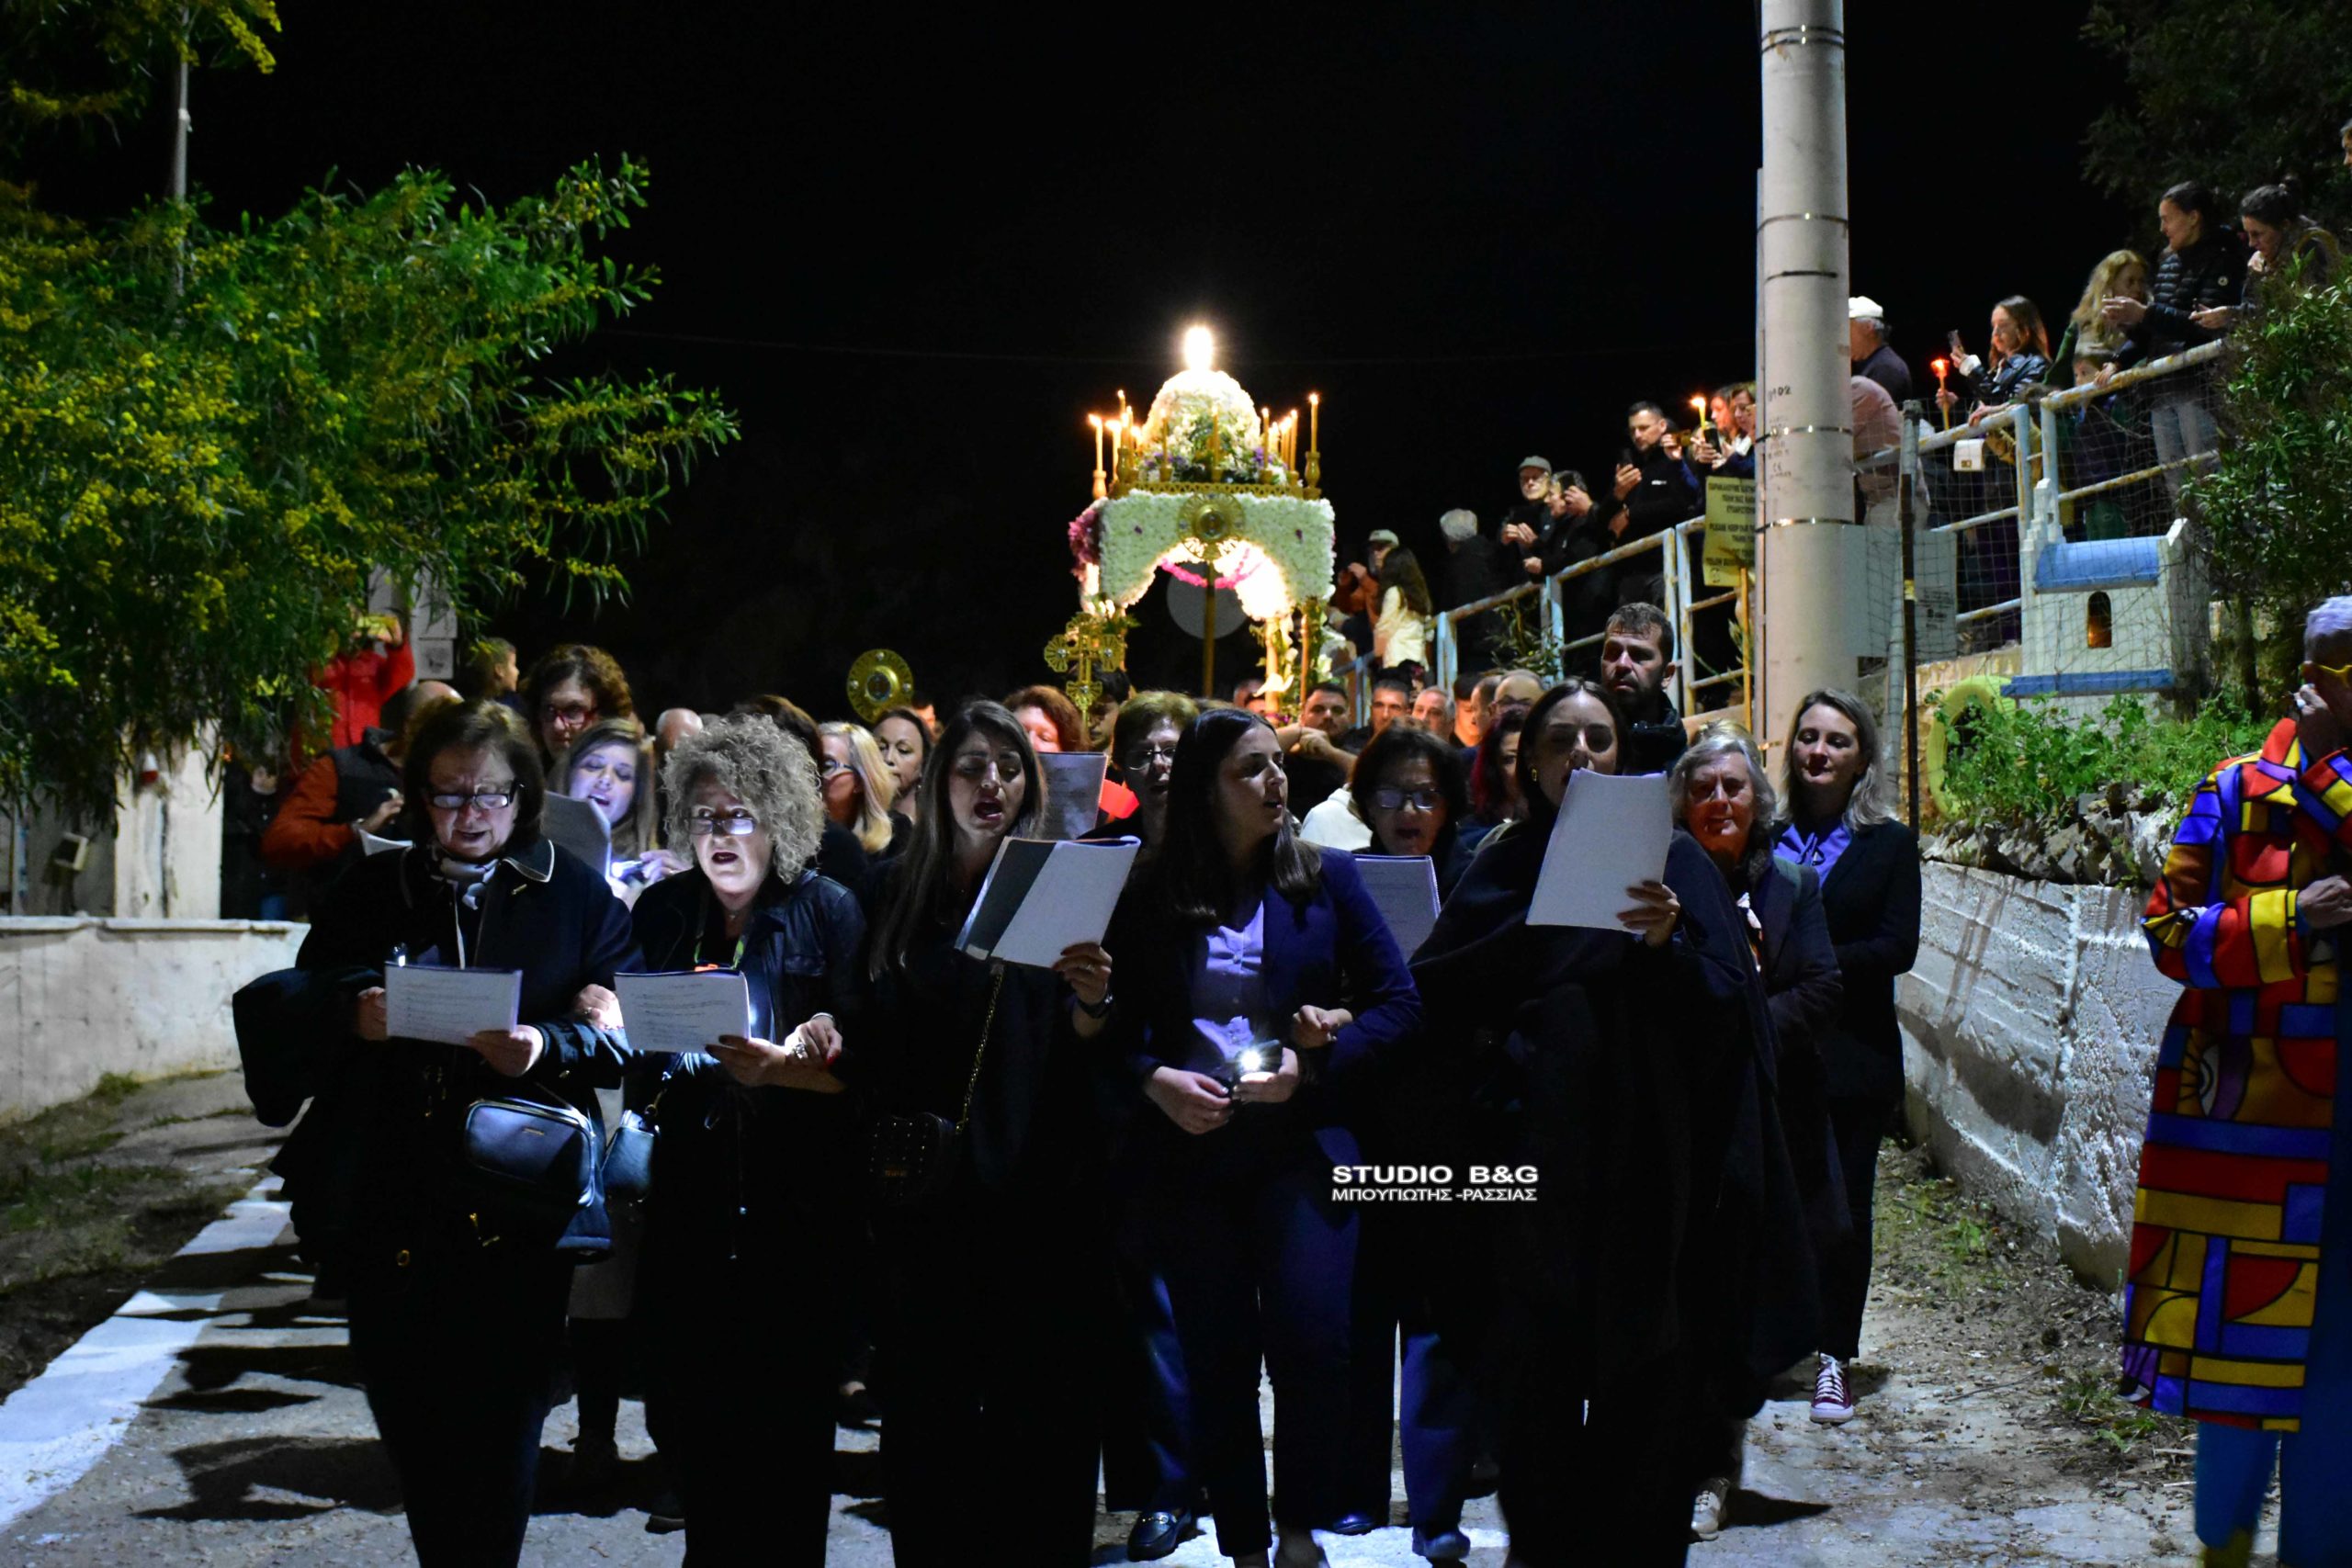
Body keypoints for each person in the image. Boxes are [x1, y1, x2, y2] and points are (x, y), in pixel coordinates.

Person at [254, 699, 637, 1565]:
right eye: (450, 794)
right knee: (411, 1414)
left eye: (490, 793)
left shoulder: (572, 892)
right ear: (421, 796)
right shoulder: (375, 887)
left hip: (517, 1196)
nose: (471, 813)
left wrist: (549, 1041)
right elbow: (304, 994)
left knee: (504, 1422)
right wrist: (355, 1011)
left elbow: (623, 1014)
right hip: (394, 1190)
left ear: (523, 796)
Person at [1408, 680, 1724, 1564]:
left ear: (1623, 756)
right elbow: (1440, 992)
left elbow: (1727, 1011)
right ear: (1529, 763)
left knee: (1644, 1377)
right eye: (1560, 740)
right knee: (1532, 1383)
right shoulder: (1502, 864)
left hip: (1642, 1164)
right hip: (1527, 1166)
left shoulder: (1673, 862)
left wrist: (1666, 946)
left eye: (1600, 738)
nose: (1581, 754)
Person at [1106, 707, 1420, 1568]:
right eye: (1250, 768)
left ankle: (1299, 1529)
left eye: (1277, 762)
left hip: (1301, 1146)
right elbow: (1111, 1029)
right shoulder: (1150, 891)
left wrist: (1315, 1060)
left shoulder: (1327, 877)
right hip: (1194, 1149)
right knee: (1218, 1362)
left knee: (1315, 1343)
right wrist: (1155, 1079)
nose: (1275, 780)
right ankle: (1245, 1542)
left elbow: (1400, 1005)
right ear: (1207, 788)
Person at [855, 702, 1117, 1567]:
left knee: (1040, 1428)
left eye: (1009, 766)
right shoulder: (898, 891)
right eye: (972, 766)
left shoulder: (1067, 885)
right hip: (928, 1194)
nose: (992, 782)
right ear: (939, 784)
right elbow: (874, 1032)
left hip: (1040, 1191)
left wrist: (1094, 1003)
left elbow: (1091, 1046)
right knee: (928, 1426)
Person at [2121, 598, 2352, 1567]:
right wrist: (2290, 918)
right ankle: (2222, 1547)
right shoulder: (2232, 792)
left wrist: (2331, 776)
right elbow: (2168, 932)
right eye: (2342, 664)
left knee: (2340, 1372)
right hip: (2250, 1139)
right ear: (2308, 674)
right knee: (2237, 1356)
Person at [628, 714, 863, 1565]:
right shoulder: (662, 912)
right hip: (689, 1203)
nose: (721, 833)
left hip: (796, 1212)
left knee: (789, 1460)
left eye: (740, 814)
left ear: (780, 818)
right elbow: (635, 1062)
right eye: (704, 815)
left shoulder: (827, 908)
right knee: (701, 1451)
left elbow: (868, 1066)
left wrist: (797, 1059)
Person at [1669, 725, 1843, 1540]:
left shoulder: (1792, 885)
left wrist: (1742, 1030)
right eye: (1703, 788)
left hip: (1766, 1118)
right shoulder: (1662, 880)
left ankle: (1716, 1464)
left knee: (1743, 1294)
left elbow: (1821, 985)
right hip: (1680, 1121)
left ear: (1758, 801)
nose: (1719, 801)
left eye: (1733, 787)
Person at [1774, 689, 1919, 1425]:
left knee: (1843, 1212)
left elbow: (1898, 945)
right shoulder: (1766, 835)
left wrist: (1815, 959)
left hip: (1853, 1057)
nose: (1819, 752)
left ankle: (1834, 1356)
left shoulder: (1888, 844)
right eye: (1808, 737)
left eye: (1837, 740)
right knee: (1773, 1203)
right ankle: (1771, 1343)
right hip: (1773, 1050)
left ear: (1862, 758)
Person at [2100, 181, 2245, 505]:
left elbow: (2202, 325)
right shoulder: (2168, 263)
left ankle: (2222, 539)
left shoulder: (2223, 258)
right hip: (2163, 389)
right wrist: (2120, 356)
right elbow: (2158, 329)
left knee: (2209, 478)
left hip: (2200, 388)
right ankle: (2189, 539)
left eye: (2167, 219)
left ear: (2193, 218)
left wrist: (2144, 313)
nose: (2162, 228)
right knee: (2177, 486)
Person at [262, 681, 458, 911]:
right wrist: (356, 831)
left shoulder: (460, 778)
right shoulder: (342, 767)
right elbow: (280, 841)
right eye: (448, 730)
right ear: (412, 726)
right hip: (347, 914)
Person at [1597, 403, 1702, 606]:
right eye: (1633, 430)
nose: (1637, 435)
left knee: (1667, 623)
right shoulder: (1630, 468)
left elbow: (1684, 503)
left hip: (1667, 566)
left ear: (1662, 426)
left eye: (1643, 428)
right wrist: (1616, 496)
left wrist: (1631, 514)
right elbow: (1603, 521)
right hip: (1630, 572)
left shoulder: (1676, 460)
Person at [556, 716, 670, 903]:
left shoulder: (648, 881)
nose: (605, 779)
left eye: (623, 775)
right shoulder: (524, 844)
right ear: (569, 772)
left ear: (636, 795)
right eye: (593, 766)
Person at [2203, 184, 2341, 328]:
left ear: (2285, 226)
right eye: (2248, 234)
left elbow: (2300, 315)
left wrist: (2233, 315)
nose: (2251, 243)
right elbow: (2255, 308)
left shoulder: (2311, 251)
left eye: (2257, 234)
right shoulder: (2263, 258)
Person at [1600, 604, 1688, 776]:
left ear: (1666, 674)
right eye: (1613, 652)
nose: (1622, 664)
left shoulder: (1687, 768)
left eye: (1639, 655)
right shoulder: (1578, 748)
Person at [1940, 295, 2053, 428]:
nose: (1995, 332)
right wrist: (1956, 407)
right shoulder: (1996, 370)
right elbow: (1983, 423)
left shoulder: (2036, 364)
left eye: (2003, 325)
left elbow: (2011, 408)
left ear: (2024, 328)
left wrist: (1973, 370)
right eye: (1993, 326)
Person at [522, 644, 637, 771]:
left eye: (573, 710)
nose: (558, 726)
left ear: (606, 715)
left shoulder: (632, 779)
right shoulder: (525, 777)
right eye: (549, 710)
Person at [313, 612, 415, 753]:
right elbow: (307, 683)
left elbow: (403, 673)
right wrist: (325, 649)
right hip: (324, 749)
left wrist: (397, 645)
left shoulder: (372, 663)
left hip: (364, 749)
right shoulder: (320, 663)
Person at [1435, 508, 1513, 672]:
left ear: (1447, 536)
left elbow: (1464, 605)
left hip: (1478, 648)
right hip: (1505, 639)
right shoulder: (1493, 551)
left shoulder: (1461, 564)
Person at [819, 720, 906, 858]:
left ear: (859, 780)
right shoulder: (790, 834)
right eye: (808, 764)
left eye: (826, 766)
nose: (813, 776)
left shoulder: (895, 839)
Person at [2053, 250, 2148, 374]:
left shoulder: (2147, 324)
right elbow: (2058, 374)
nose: (2138, 289)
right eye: (2130, 282)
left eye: (2141, 282)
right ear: (2110, 284)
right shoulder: (2082, 323)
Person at [1457, 701, 1529, 855]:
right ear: (1494, 769)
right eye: (1510, 759)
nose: (1521, 768)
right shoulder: (1470, 835)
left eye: (1528, 757)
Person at [1279, 682, 1355, 818]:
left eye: (1337, 710)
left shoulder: (1359, 746)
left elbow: (1371, 777)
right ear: (1303, 715)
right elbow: (1257, 748)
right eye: (1318, 710)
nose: (1328, 716)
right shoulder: (1287, 756)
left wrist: (1331, 752)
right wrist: (1300, 732)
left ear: (1349, 717)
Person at [1373, 546, 1435, 675]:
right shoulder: (1421, 597)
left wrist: (1378, 654)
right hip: (1418, 660)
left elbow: (1384, 628)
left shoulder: (1395, 593)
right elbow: (1428, 633)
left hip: (1397, 659)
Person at [1848, 298, 1913, 405]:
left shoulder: (1886, 369)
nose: (1842, 337)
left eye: (1847, 328)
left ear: (1868, 327)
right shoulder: (1876, 364)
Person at [875, 706, 931, 827]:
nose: (888, 758)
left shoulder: (935, 827)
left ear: (923, 763)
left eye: (903, 750)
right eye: (881, 747)